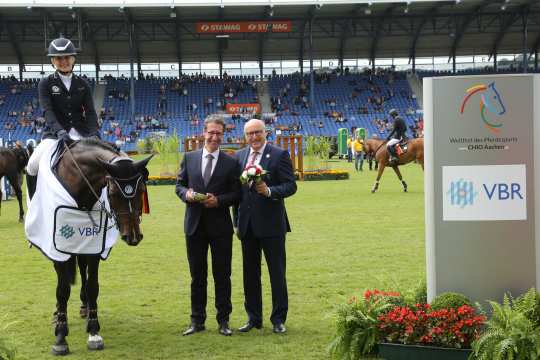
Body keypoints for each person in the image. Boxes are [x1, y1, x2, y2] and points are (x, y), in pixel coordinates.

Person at [175, 115, 240, 337]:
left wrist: (219, 201)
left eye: (218, 133)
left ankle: (224, 321)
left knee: (223, 276)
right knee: (197, 277)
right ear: (204, 133)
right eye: (211, 132)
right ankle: (197, 321)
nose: (214, 137)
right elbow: (179, 186)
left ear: (223, 136)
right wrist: (188, 194)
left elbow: (237, 193)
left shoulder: (231, 162)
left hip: (221, 228)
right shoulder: (189, 157)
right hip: (194, 227)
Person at [234, 119, 297, 334]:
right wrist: (236, 221)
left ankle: (278, 319)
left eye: (257, 132)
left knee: (276, 274)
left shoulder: (279, 154)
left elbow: (291, 185)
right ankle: (254, 318)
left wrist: (270, 191)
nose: (253, 137)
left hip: (272, 226)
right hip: (247, 226)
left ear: (265, 132)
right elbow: (238, 194)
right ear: (245, 136)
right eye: (249, 134)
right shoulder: (240, 156)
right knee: (250, 275)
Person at [26, 37, 99, 198]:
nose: (63, 61)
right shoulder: (45, 83)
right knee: (32, 165)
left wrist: (94, 133)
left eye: (67, 57)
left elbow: (91, 112)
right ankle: (33, 205)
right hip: (55, 135)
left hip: (82, 133)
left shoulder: (83, 84)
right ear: (53, 61)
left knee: (109, 160)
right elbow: (48, 111)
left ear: (73, 59)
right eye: (59, 58)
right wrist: (59, 131)